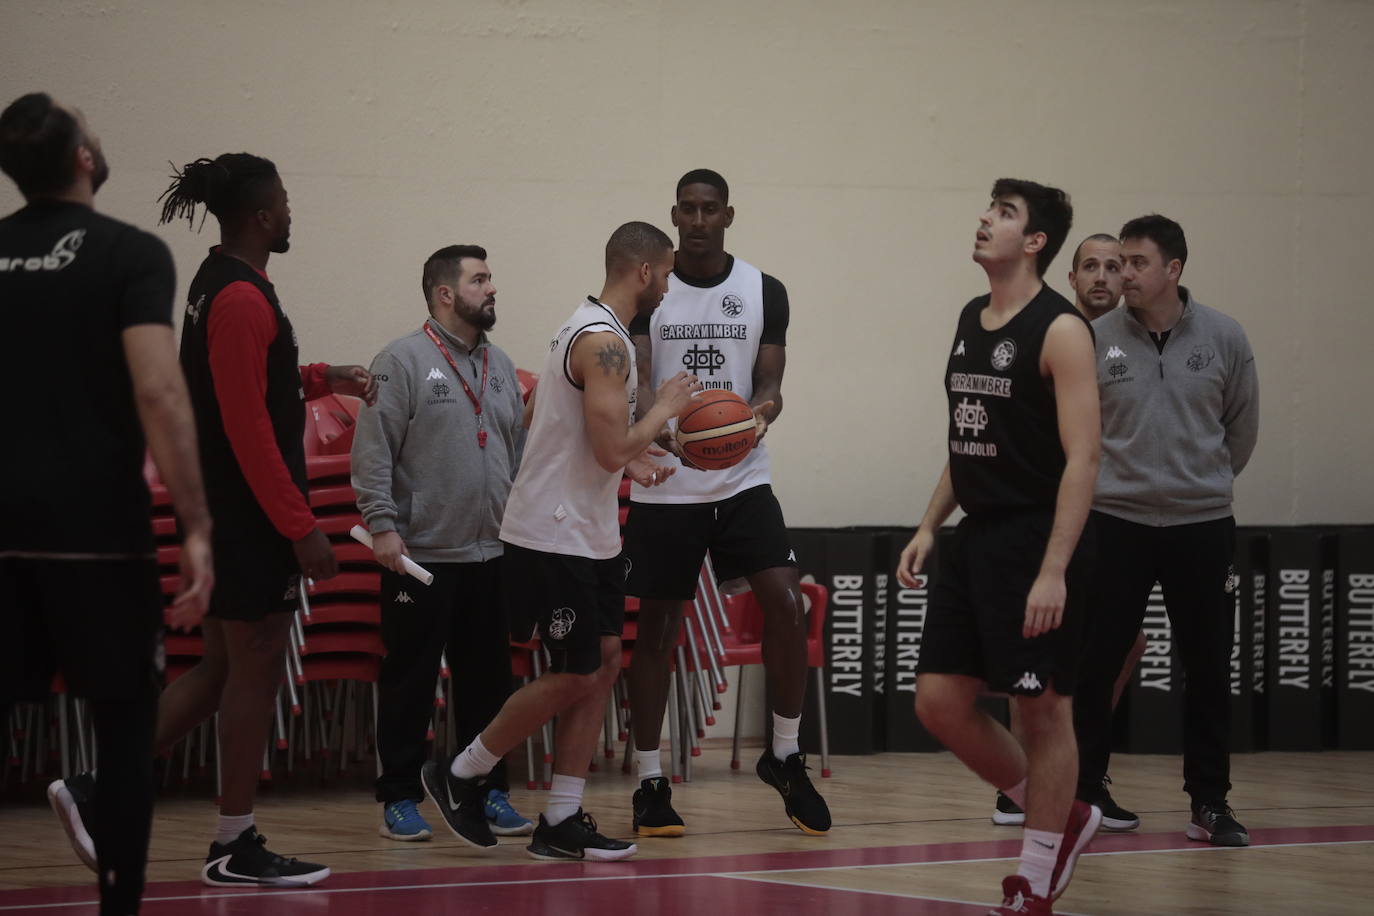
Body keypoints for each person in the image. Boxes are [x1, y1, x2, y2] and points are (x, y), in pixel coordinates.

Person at [51, 152, 378, 889]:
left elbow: (248, 386)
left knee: (221, 670)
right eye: (284, 200)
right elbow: (246, 428)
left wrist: (321, 378)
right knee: (251, 675)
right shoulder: (238, 299)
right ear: (261, 215)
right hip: (248, 520)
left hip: (235, 513)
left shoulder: (221, 282)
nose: (290, 211)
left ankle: (98, 787)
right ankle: (232, 842)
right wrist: (301, 526)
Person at [421, 221, 700, 862]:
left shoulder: (591, 329)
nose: (668, 288)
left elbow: (554, 426)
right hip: (552, 534)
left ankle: (562, 817)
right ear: (645, 272)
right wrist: (663, 411)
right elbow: (607, 448)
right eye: (666, 275)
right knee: (575, 670)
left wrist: (636, 458)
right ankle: (462, 771)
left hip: (588, 532)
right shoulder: (602, 342)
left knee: (604, 662)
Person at [2, 92, 214, 916]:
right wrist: (196, 525)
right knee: (124, 731)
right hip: (94, 536)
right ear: (83, 158)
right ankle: (119, 904)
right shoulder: (130, 254)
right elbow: (159, 391)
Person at [897, 179, 1102, 915]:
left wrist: (1054, 569)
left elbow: (1084, 457)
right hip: (975, 536)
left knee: (1042, 709)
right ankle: (1062, 815)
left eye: (1005, 214)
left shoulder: (1062, 329)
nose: (985, 220)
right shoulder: (970, 318)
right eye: (989, 209)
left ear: (1036, 240)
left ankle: (1035, 878)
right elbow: (968, 438)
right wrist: (929, 524)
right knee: (938, 702)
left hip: (1036, 537)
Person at [620, 168, 828, 838]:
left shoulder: (764, 290)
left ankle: (785, 755)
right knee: (658, 630)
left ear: (729, 215)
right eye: (688, 209)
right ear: (674, 215)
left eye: (711, 209)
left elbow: (770, 382)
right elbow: (640, 380)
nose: (699, 220)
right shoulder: (652, 288)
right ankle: (650, 780)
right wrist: (659, 427)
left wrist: (758, 416)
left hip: (742, 478)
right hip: (668, 480)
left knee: (786, 602)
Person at [1073, 214, 1259, 847]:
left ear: (1173, 269)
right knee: (1096, 663)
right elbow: (1078, 433)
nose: (1123, 273)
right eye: (1118, 261)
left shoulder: (1225, 336)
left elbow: (1240, 430)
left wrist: (1200, 481)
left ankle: (1209, 801)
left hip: (1201, 525)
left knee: (1208, 665)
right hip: (1114, 523)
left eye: (1137, 262)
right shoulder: (1094, 338)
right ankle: (1085, 792)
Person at [351, 244, 533, 842]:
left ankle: (488, 791)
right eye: (480, 279)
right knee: (410, 680)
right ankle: (400, 797)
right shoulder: (400, 361)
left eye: (491, 278)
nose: (492, 288)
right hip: (420, 557)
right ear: (445, 293)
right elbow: (373, 451)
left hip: (491, 553)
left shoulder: (501, 364)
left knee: (490, 684)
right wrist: (382, 524)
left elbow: (514, 456)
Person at [994, 232, 1143, 831]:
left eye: (1114, 266)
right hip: (1049, 513)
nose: (1103, 276)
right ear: (1073, 278)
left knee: (1124, 643)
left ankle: (1083, 774)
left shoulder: (1136, 344)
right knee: (1036, 644)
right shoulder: (1052, 333)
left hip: (1119, 516)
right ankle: (1019, 784)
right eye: (1091, 267)